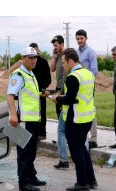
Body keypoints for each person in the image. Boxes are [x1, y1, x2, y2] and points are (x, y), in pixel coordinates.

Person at [50, 48, 97, 191]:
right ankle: (91, 180)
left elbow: (70, 99)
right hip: (87, 117)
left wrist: (56, 98)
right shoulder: (88, 74)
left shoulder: (73, 77)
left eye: (64, 62)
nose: (63, 65)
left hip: (75, 118)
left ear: (71, 61)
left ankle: (82, 183)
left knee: (77, 150)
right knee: (83, 149)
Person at [7, 47, 48, 191]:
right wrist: (13, 114)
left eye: (35, 57)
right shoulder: (18, 75)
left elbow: (28, 94)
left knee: (32, 151)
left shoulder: (30, 74)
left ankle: (31, 177)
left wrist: (40, 94)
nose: (34, 60)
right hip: (23, 119)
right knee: (24, 152)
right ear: (23, 58)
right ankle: (24, 182)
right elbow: (10, 95)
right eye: (30, 57)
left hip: (33, 119)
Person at [76, 29, 98, 149]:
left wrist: (87, 84)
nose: (79, 41)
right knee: (81, 110)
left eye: (81, 38)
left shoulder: (91, 52)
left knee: (90, 110)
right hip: (77, 86)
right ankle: (82, 137)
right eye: (78, 39)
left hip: (88, 86)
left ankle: (93, 139)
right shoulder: (76, 53)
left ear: (86, 38)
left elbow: (94, 71)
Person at [50, 35, 69, 169]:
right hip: (59, 88)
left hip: (65, 89)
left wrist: (60, 93)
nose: (55, 47)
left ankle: (64, 156)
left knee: (64, 123)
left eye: (56, 45)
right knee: (61, 118)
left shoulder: (67, 55)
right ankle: (64, 146)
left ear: (62, 44)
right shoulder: (57, 57)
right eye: (54, 45)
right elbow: (52, 69)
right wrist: (54, 56)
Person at [29, 43, 51, 140]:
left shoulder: (43, 62)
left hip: (41, 91)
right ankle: (34, 133)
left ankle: (42, 133)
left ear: (38, 50)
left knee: (42, 112)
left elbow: (48, 78)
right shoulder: (28, 63)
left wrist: (43, 87)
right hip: (31, 92)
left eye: (35, 49)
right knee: (33, 113)